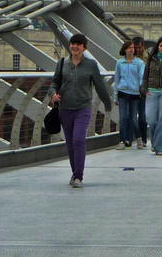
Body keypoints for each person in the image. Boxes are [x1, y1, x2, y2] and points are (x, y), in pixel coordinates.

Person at [51, 33, 112, 187]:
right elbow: (54, 84)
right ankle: (75, 172)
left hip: (83, 108)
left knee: (79, 140)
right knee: (70, 143)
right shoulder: (62, 63)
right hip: (65, 109)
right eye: (73, 43)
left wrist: (107, 102)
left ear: (84, 47)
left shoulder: (91, 65)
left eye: (78, 44)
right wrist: (53, 94)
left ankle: (78, 176)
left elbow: (99, 84)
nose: (75, 46)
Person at [114, 41, 146, 148]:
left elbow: (141, 77)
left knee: (133, 117)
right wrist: (115, 96)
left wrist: (141, 89)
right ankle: (121, 141)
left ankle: (138, 138)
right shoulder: (119, 63)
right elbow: (117, 78)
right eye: (129, 47)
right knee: (123, 117)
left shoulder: (139, 63)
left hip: (134, 93)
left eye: (133, 47)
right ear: (124, 50)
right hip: (122, 92)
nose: (131, 49)